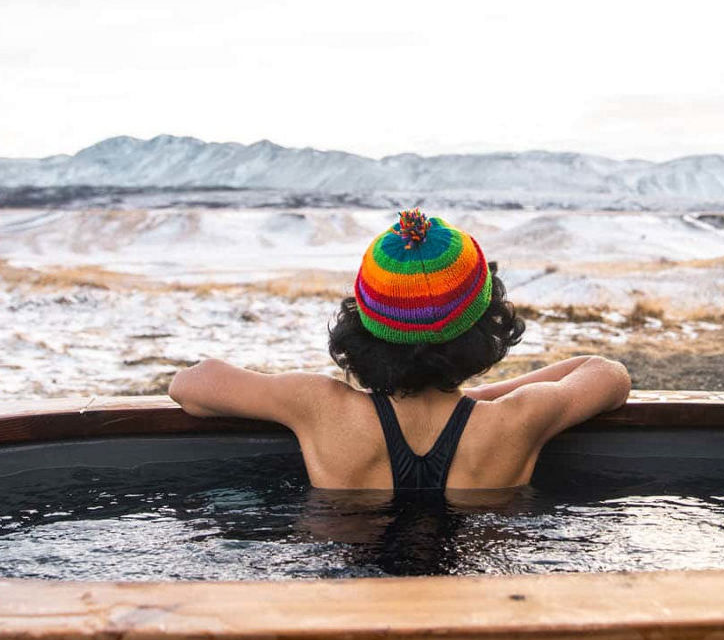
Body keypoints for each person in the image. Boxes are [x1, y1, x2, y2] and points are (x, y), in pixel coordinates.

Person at [168, 208, 631, 490]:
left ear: (360, 326)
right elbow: (606, 373)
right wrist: (478, 401)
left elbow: (190, 385)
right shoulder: (519, 418)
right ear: (486, 326)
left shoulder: (318, 407)